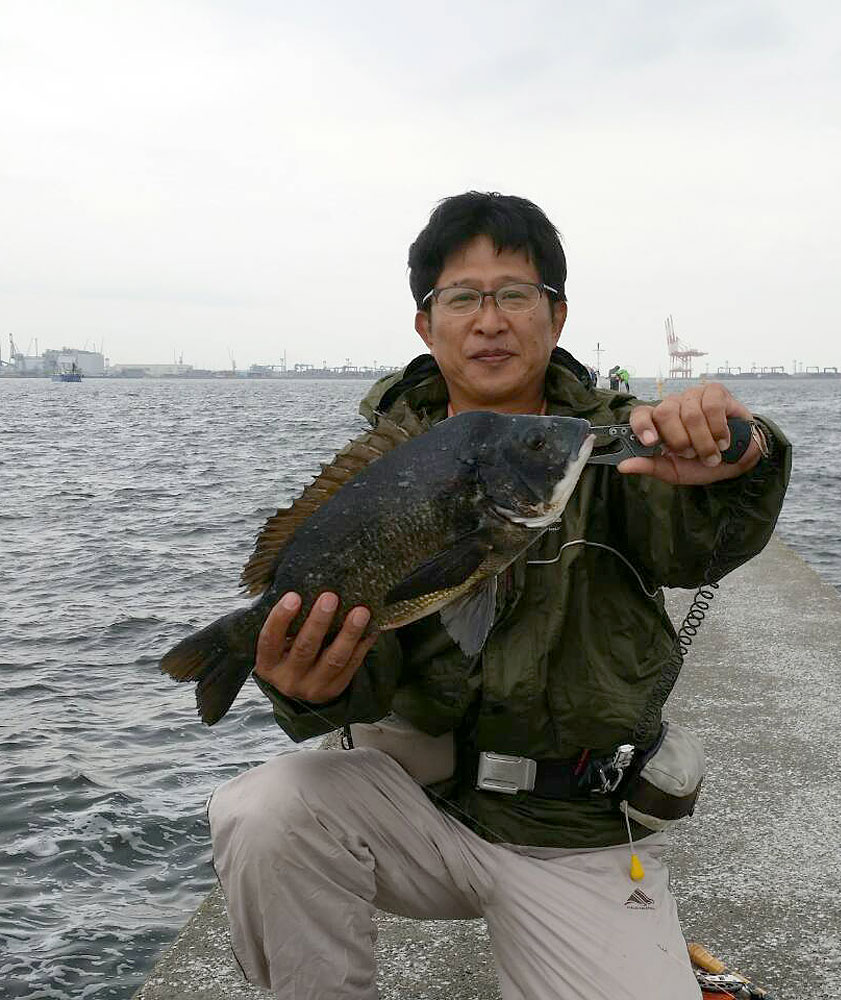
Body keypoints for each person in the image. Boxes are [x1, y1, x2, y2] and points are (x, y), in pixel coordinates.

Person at [208, 191, 791, 1000]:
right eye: (463, 298)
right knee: (265, 810)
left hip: (576, 831)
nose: (490, 320)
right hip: (413, 810)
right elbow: (365, 661)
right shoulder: (385, 462)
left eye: (514, 294)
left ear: (555, 315)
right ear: (426, 323)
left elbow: (704, 541)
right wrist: (304, 690)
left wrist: (742, 454)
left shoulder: (619, 445)